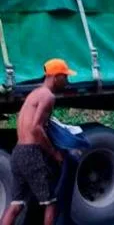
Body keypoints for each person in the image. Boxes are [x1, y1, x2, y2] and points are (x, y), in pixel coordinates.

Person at [1, 59, 76, 225]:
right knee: (50, 202)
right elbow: (36, 127)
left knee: (16, 204)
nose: (67, 81)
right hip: (31, 153)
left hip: (18, 151)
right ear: (55, 77)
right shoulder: (48, 96)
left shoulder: (34, 94)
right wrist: (54, 153)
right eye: (65, 76)